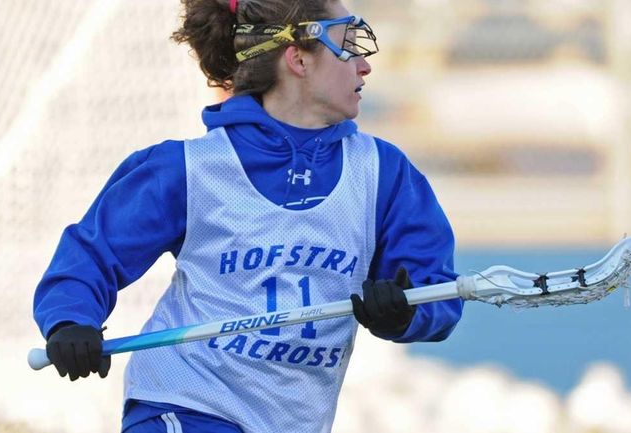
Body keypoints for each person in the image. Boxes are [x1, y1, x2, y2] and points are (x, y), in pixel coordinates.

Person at [32, 0, 464, 431]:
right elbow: (91, 255)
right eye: (346, 43)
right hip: (184, 404)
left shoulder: (383, 174)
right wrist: (71, 322)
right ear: (298, 59)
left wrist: (405, 311)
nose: (364, 66)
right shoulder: (188, 168)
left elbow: (436, 293)